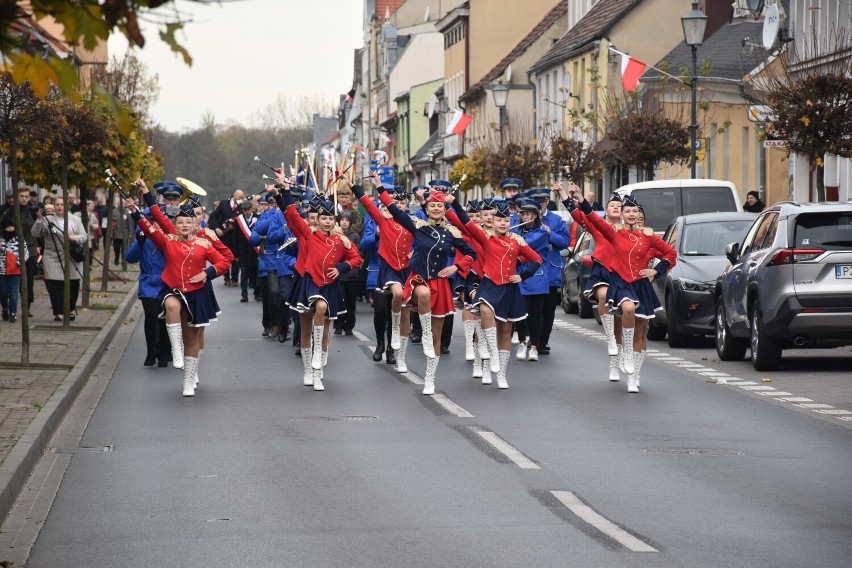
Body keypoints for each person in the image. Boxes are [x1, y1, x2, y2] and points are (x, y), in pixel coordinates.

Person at [125, 189, 230, 397]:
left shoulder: (204, 243)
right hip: (173, 289)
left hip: (196, 293)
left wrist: (207, 274)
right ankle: (175, 349)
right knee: (171, 305)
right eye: (180, 222)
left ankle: (189, 380)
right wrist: (136, 209)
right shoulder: (168, 240)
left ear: (195, 224)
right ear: (175, 224)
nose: (184, 226)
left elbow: (224, 261)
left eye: (188, 222)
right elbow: (150, 224)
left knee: (191, 339)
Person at [570, 189, 676, 393]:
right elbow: (593, 218)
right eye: (627, 210)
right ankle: (625, 353)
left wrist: (656, 270)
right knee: (627, 309)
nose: (631, 214)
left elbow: (670, 253)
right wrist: (582, 200)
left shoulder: (648, 236)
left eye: (634, 211)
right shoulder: (615, 232)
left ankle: (634, 377)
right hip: (621, 283)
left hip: (641, 284)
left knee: (641, 331)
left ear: (638, 214)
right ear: (622, 213)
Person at [376, 180, 476, 395]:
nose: (436, 209)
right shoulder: (417, 225)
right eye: (432, 205)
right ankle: (424, 334)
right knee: (422, 294)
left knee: (438, 337)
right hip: (419, 278)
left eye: (440, 205)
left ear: (444, 209)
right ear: (426, 208)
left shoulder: (452, 232)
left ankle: (430, 378)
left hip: (441, 283)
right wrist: (379, 188)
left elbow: (471, 254)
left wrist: (456, 267)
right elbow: (394, 209)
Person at [268, 178, 363, 392]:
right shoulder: (307, 234)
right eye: (324, 218)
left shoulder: (341, 240)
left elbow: (357, 259)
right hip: (309, 282)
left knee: (325, 326)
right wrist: (284, 190)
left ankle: (319, 368)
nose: (327, 222)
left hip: (329, 284)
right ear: (317, 220)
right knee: (305, 328)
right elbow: (291, 213)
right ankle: (308, 370)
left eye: (331, 218)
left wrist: (341, 269)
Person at [447, 198, 541, 389]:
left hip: (510, 289)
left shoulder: (517, 241)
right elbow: (465, 223)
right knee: (486, 313)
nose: (502, 224)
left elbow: (536, 259)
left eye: (506, 220)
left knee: (505, 332)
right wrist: (454, 204)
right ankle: (492, 356)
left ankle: (502, 375)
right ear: (493, 222)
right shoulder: (486, 238)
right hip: (489, 285)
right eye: (499, 220)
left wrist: (523, 276)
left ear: (510, 222)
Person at [562, 186, 624, 382]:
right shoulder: (599, 226)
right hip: (603, 272)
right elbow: (579, 216)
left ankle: (615, 363)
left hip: (623, 275)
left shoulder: (630, 230)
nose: (615, 207)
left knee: (622, 322)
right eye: (612, 205)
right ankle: (611, 340)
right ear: (606, 211)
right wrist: (566, 196)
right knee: (604, 296)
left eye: (619, 205)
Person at [351, 179, 414, 371]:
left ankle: (392, 348)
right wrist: (377, 234)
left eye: (402, 203)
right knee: (380, 311)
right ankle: (380, 342)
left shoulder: (409, 221)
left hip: (403, 270)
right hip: (378, 270)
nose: (398, 206)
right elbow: (364, 245)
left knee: (398, 308)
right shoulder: (375, 219)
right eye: (395, 202)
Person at [525, 187, 571, 355]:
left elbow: (565, 242)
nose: (541, 205)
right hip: (531, 271)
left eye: (544, 202)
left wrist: (551, 234)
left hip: (550, 271)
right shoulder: (524, 219)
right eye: (537, 202)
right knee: (531, 307)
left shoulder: (556, 220)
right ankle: (532, 338)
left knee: (548, 308)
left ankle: (543, 341)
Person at [31, 197, 88, 321]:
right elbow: (36, 233)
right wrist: (39, 219)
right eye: (57, 204)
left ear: (66, 206)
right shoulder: (48, 220)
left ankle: (71, 309)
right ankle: (59, 312)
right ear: (54, 206)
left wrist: (74, 238)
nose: (59, 207)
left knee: (73, 283)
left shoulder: (75, 219)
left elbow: (84, 236)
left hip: (72, 255)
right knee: (56, 284)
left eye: (62, 204)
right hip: (53, 256)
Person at [125, 211, 169, 367]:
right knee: (151, 316)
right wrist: (139, 243)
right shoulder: (143, 238)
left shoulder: (169, 238)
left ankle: (163, 353)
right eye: (152, 221)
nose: (155, 224)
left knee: (165, 319)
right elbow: (130, 257)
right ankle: (151, 351)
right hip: (148, 281)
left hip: (166, 282)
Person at [512, 198, 551, 362]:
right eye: (522, 214)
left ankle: (534, 346)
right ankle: (522, 341)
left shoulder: (541, 232)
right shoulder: (517, 232)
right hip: (518, 276)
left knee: (536, 314)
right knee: (520, 313)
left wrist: (508, 240)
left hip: (535, 277)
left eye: (528, 214)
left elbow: (525, 247)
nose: (524, 217)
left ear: (535, 215)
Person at [1, 187, 37, 315]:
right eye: (21, 196)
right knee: (10, 282)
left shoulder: (33, 212)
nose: (24, 199)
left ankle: (26, 308)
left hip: (30, 250)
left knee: (28, 281)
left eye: (26, 196)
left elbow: (38, 231)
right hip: (12, 251)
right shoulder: (9, 212)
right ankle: (9, 307)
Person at [207, 188, 245, 286]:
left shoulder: (242, 206)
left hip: (236, 236)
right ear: (234, 196)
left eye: (243, 197)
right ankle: (226, 276)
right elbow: (214, 217)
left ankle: (235, 278)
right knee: (225, 256)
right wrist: (216, 229)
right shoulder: (224, 204)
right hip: (224, 235)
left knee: (235, 257)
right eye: (240, 197)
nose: (241, 198)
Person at [333, 210, 362, 336]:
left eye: (347, 220)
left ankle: (349, 325)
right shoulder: (334, 234)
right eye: (342, 220)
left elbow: (359, 254)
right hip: (338, 273)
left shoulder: (355, 236)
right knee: (339, 300)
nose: (344, 223)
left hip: (351, 274)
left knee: (350, 301)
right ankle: (338, 325)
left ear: (350, 223)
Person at [0, 216, 28, 322]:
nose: (11, 228)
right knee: (3, 292)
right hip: (1, 271)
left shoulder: (18, 238)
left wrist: (20, 261)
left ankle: (13, 313)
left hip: (14, 270)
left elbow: (26, 252)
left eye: (12, 226)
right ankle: (5, 308)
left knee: (13, 293)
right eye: (8, 226)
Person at [233, 200, 260, 303]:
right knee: (244, 274)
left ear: (252, 209)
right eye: (244, 210)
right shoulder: (239, 220)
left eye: (248, 210)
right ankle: (244, 295)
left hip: (255, 251)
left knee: (255, 274)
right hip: (243, 252)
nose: (247, 212)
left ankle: (257, 293)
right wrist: (235, 254)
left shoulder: (258, 218)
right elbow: (235, 238)